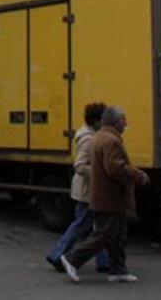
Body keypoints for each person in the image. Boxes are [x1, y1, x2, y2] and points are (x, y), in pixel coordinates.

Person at [60, 105, 151, 284]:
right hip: (109, 196)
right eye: (124, 120)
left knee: (118, 235)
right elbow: (115, 168)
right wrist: (138, 175)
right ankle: (72, 259)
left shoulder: (101, 137)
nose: (126, 123)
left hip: (108, 196)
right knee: (105, 234)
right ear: (116, 121)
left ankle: (118, 270)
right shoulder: (111, 141)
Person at [46, 102, 111, 273]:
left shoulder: (92, 135)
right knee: (84, 225)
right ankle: (57, 254)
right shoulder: (88, 140)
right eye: (103, 119)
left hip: (90, 190)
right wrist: (101, 172)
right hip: (88, 191)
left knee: (98, 226)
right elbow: (80, 165)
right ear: (96, 121)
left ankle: (104, 262)